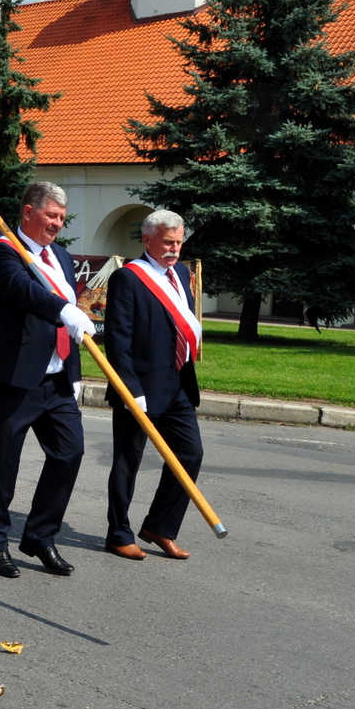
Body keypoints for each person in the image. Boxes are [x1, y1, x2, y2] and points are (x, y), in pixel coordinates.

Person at [0, 182, 96, 578]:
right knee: (3, 464)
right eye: (51, 216)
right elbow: (23, 291)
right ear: (28, 212)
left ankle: (40, 536)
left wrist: (73, 370)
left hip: (57, 379)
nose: (58, 224)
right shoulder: (3, 252)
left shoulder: (60, 256)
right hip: (14, 377)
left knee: (69, 453)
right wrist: (64, 309)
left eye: (62, 217)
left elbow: (69, 313)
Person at [103, 209, 205, 562]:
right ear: (147, 240)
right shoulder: (128, 279)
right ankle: (118, 533)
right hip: (139, 387)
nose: (174, 249)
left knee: (190, 454)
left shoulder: (180, 273)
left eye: (178, 242)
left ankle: (160, 526)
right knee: (127, 462)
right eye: (167, 242)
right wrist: (131, 390)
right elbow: (117, 340)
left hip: (177, 382)